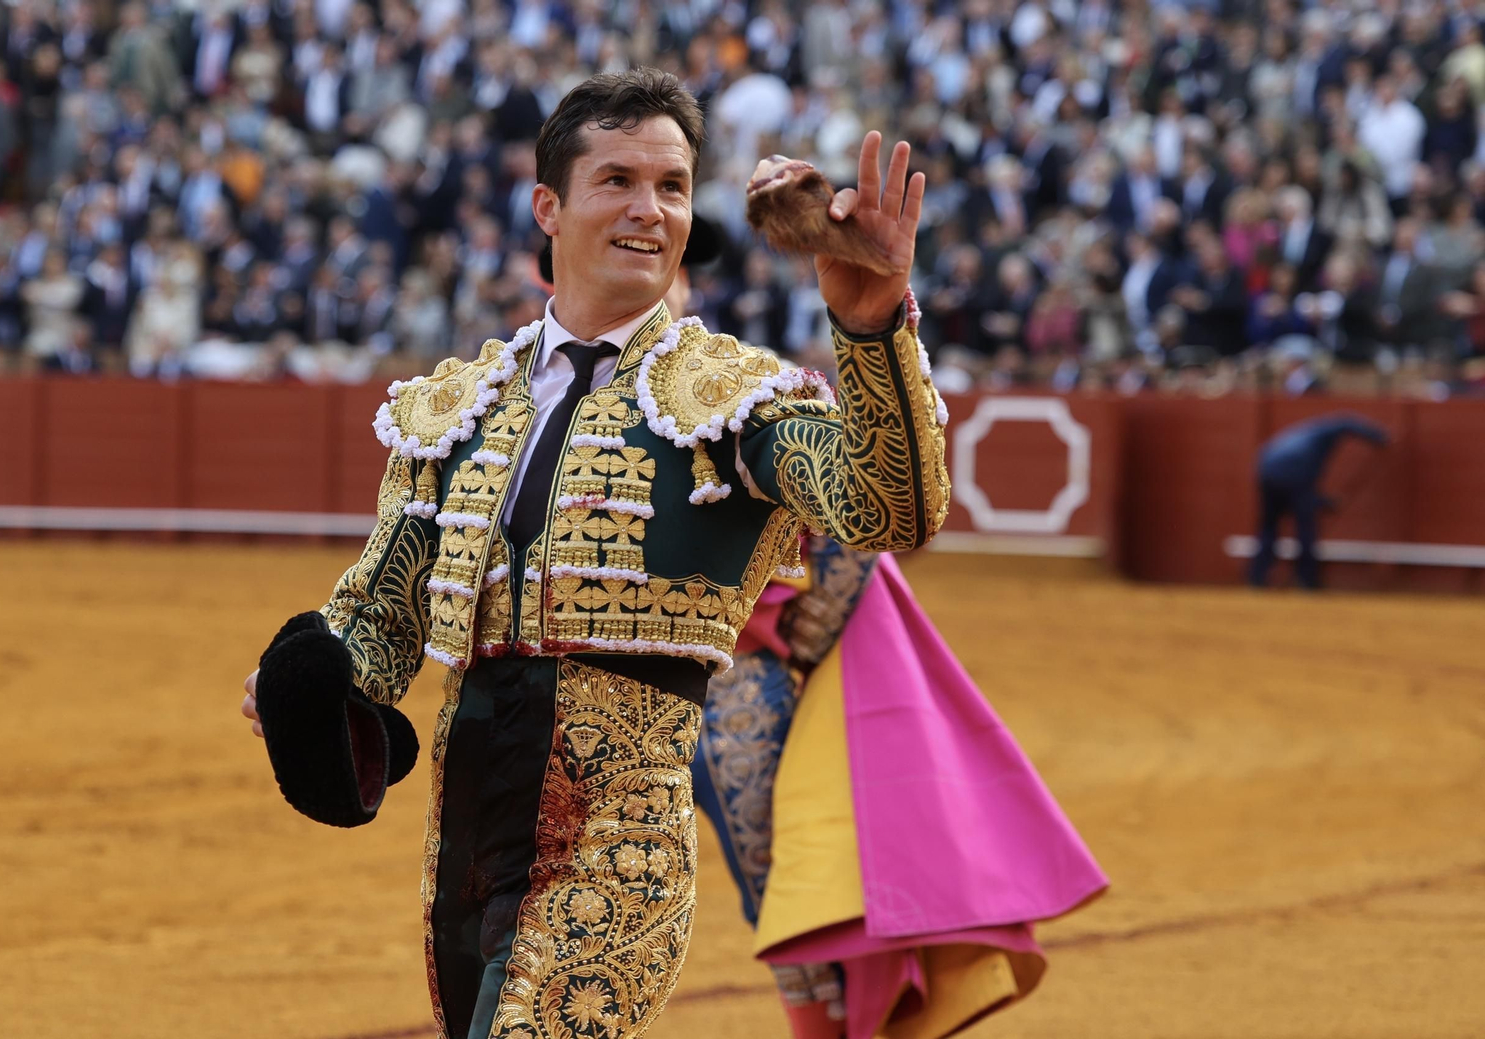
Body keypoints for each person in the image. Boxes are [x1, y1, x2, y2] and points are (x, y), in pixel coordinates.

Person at [240, 68, 950, 1039]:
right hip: (467, 838)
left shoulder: (730, 397)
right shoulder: (460, 406)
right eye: (618, 180)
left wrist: (870, 330)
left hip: (621, 837)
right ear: (549, 207)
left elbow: (887, 507)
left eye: (671, 186)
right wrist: (314, 676)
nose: (650, 209)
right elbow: (382, 610)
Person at [693, 536, 1107, 1039]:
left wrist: (801, 642)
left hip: (740, 688)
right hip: (669, 681)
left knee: (790, 903)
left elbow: (861, 523)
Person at [1249, 414, 1390, 589]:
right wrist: (1378, 437)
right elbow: (1346, 421)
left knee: (1269, 526)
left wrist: (1322, 502)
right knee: (1305, 527)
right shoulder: (1323, 432)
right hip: (1294, 471)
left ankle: (1257, 577)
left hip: (1266, 471)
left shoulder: (1297, 436)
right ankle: (1307, 580)